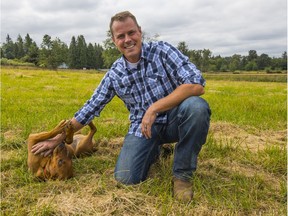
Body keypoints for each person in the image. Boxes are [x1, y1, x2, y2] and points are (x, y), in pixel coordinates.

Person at [31, 11, 211, 202]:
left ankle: (182, 176)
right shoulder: (114, 74)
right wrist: (58, 139)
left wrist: (154, 108)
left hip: (175, 119)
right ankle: (156, 150)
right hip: (144, 129)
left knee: (197, 107)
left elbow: (196, 84)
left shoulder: (162, 51)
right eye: (121, 36)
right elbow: (91, 107)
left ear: (140, 32)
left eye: (131, 33)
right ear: (114, 40)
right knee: (126, 178)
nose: (128, 40)